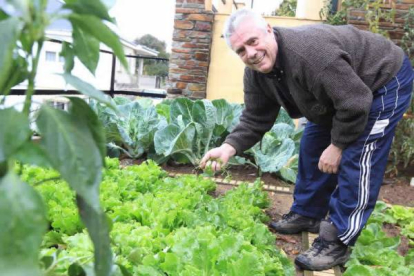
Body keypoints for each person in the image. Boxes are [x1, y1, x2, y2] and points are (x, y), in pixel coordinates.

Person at [200, 8, 414, 271]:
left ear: (268, 29)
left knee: (359, 156)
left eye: (253, 42)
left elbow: (356, 102)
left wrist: (338, 145)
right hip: (345, 92)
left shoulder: (310, 54)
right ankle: (308, 212)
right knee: (312, 145)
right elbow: (256, 117)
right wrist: (227, 147)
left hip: (382, 80)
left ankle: (338, 240)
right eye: (241, 50)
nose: (251, 53)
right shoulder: (256, 73)